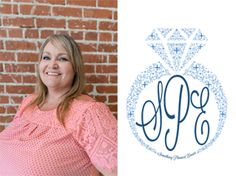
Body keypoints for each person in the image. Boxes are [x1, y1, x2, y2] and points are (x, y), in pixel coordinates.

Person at [0, 33, 117, 176]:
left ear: (75, 68)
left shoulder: (89, 112)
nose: (52, 64)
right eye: (46, 57)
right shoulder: (28, 102)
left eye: (62, 58)